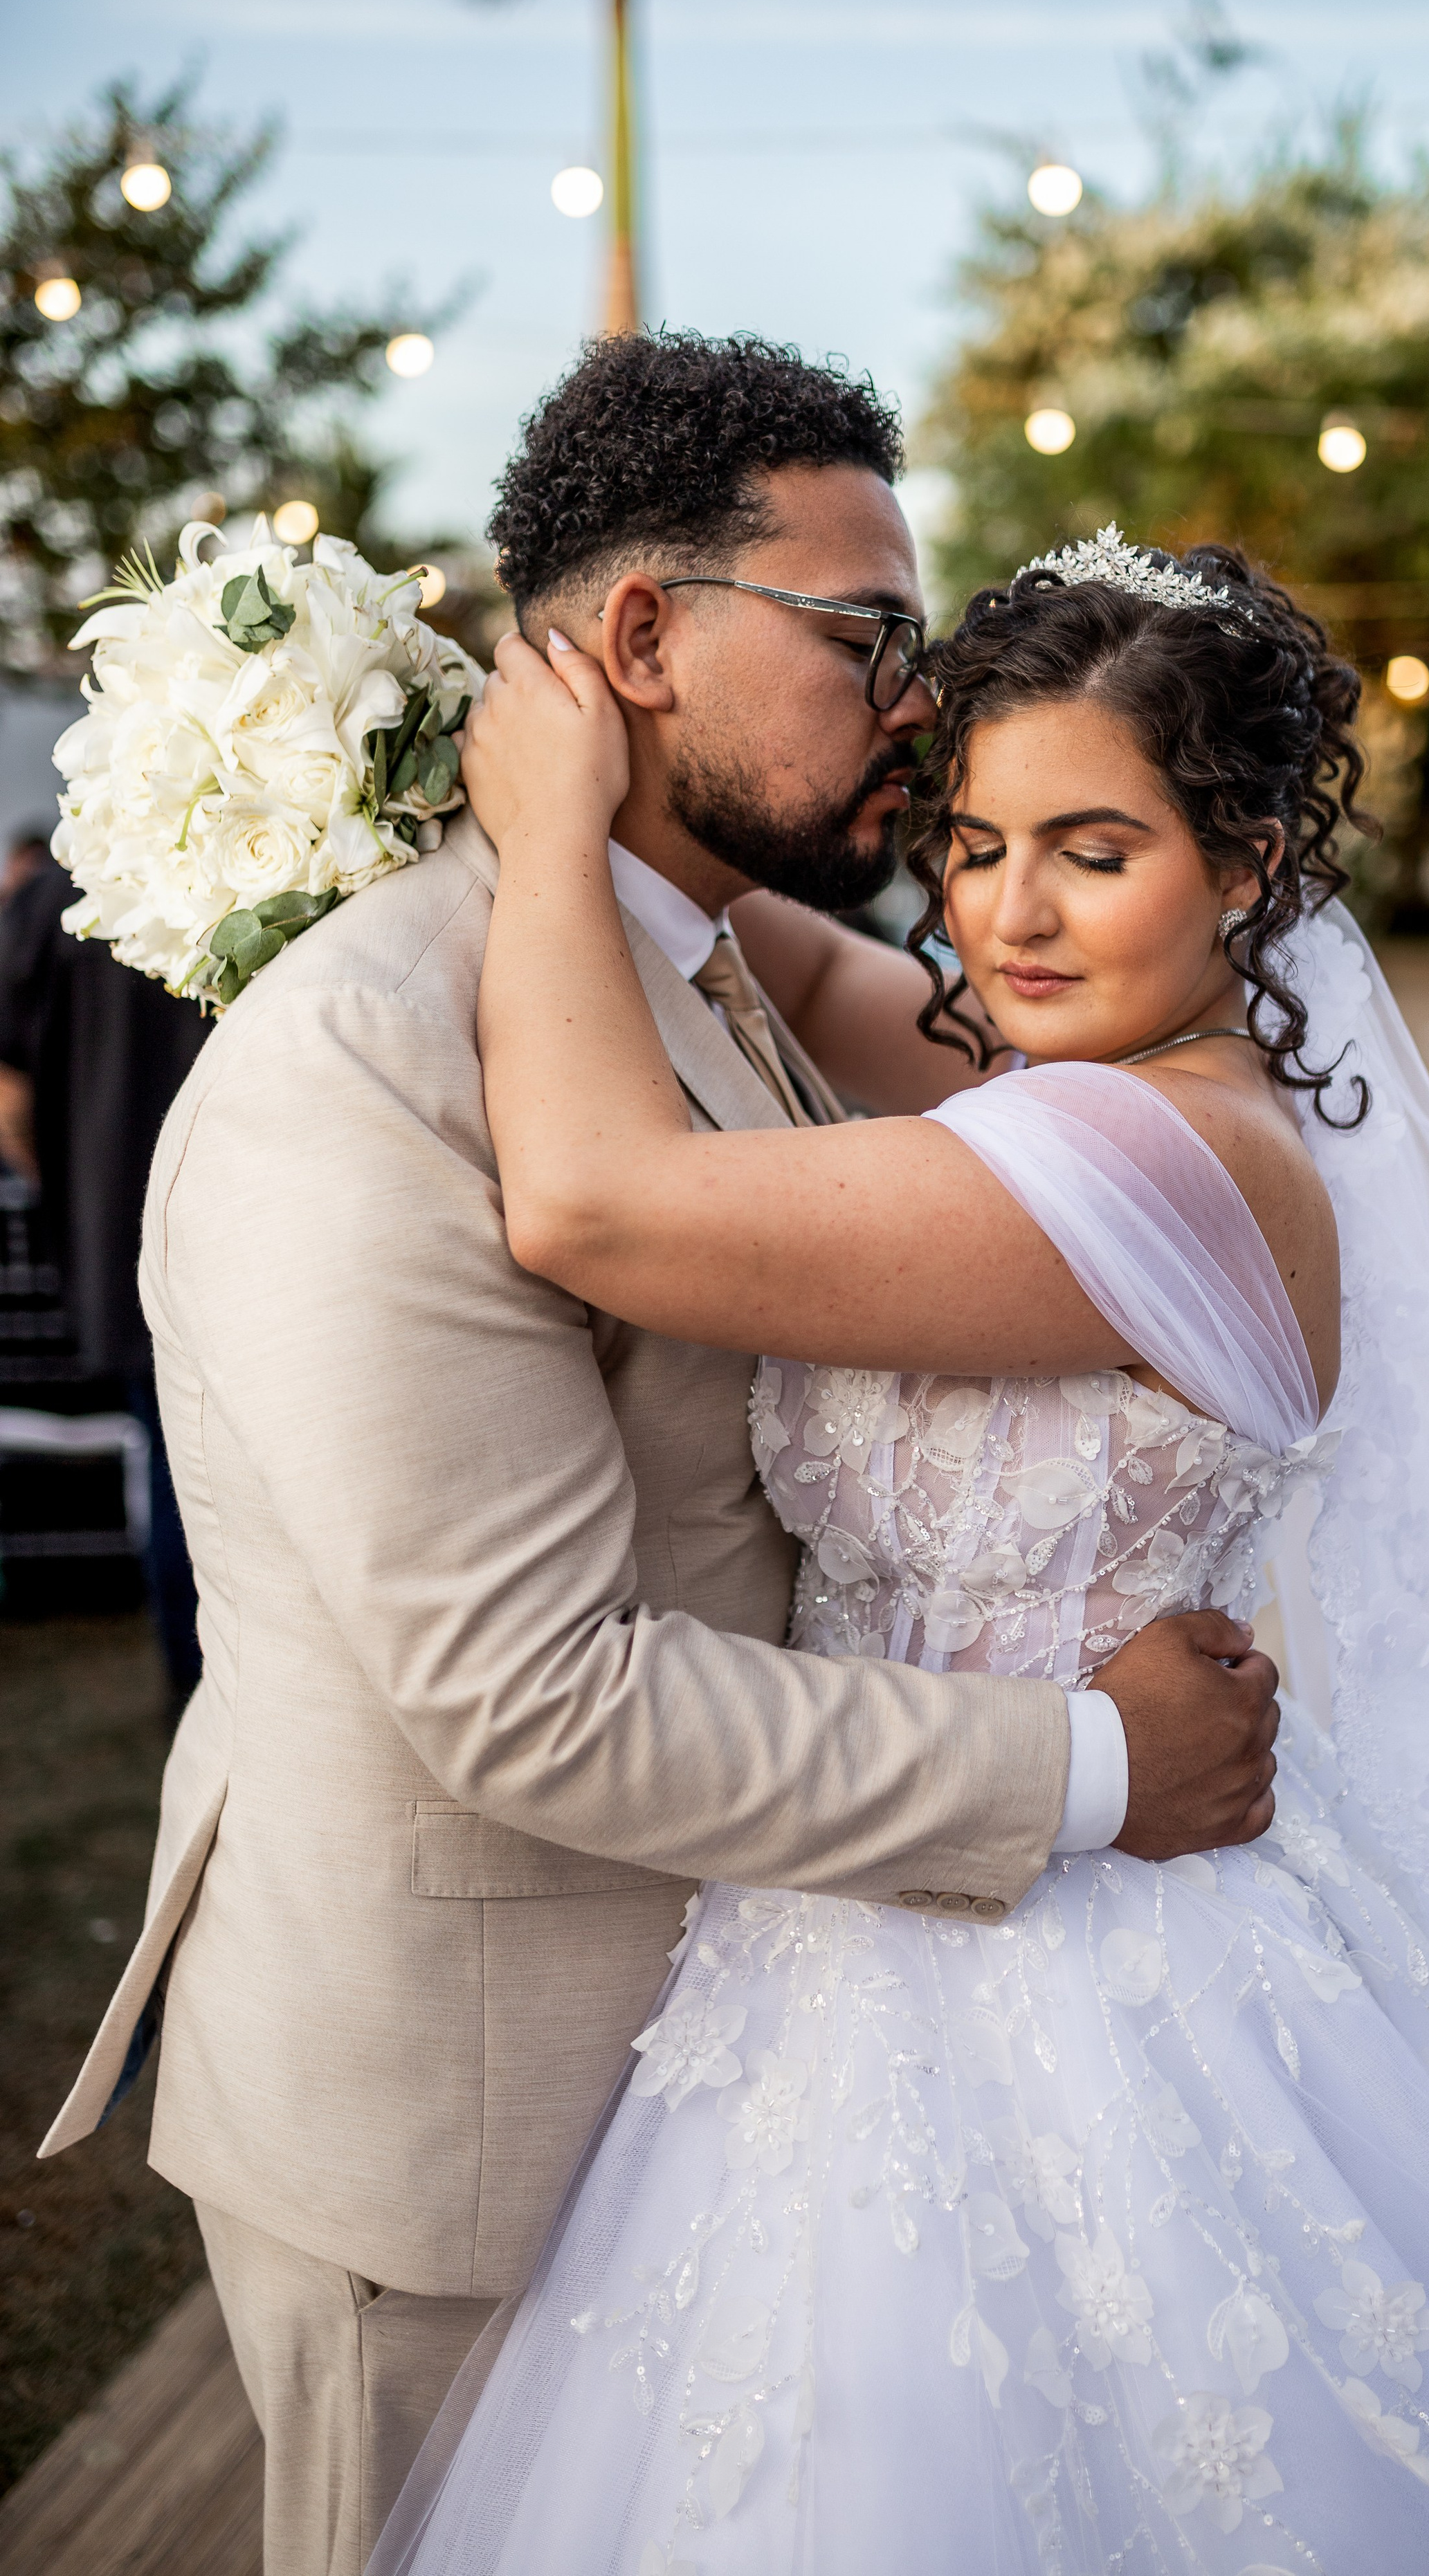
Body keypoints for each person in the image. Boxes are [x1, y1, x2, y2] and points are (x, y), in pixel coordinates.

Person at [372, 528, 1429, 2574]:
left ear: (1253, 860)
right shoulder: (1094, 1072)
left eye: (1091, 849)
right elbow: (786, 956)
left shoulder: (1163, 1158)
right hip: (852, 1902)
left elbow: (594, 1204)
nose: (1006, 913)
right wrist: (659, 765)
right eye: (974, 839)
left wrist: (552, 813)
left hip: (1068, 1943)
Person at [39, 337, 1283, 2576]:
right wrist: (1092, 1769)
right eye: (866, 637)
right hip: (467, 2121)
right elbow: (529, 1691)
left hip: (759, 2057)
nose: (918, 701)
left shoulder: (698, 967)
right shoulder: (372, 1061)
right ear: (638, 640)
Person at [0, 846, 208, 1708]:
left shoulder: (56, 897)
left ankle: (196, 1697)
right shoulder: (278, 860)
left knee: (174, 1473)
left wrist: (70, 1192)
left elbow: (10, 1098)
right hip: (254, 1219)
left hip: (117, 1229)